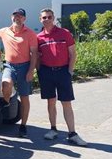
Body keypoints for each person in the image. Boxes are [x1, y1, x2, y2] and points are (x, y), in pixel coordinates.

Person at [37, 8, 88, 146]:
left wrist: (69, 71)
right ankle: (53, 130)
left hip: (63, 72)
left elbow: (73, 54)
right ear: (40, 19)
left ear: (53, 18)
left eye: (49, 17)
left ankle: (72, 133)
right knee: (50, 102)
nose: (46, 19)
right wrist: (39, 71)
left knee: (66, 103)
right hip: (46, 72)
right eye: (44, 17)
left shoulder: (64, 33)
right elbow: (37, 57)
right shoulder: (39, 37)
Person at [0, 8, 38, 138]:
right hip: (9, 65)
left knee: (24, 97)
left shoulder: (30, 33)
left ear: (24, 19)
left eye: (20, 16)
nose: (17, 18)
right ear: (11, 17)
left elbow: (34, 54)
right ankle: (6, 101)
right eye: (15, 16)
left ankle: (23, 126)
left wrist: (31, 70)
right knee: (6, 83)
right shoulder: (4, 31)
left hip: (25, 67)